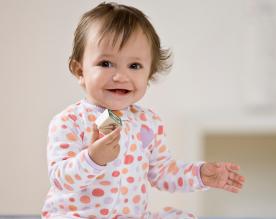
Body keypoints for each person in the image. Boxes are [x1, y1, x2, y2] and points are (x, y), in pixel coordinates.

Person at [42, 2, 245, 219]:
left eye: (134, 66)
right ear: (79, 70)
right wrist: (92, 159)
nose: (121, 76)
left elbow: (163, 172)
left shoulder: (148, 122)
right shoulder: (70, 121)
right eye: (106, 63)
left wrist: (200, 175)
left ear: (149, 75)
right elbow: (60, 179)